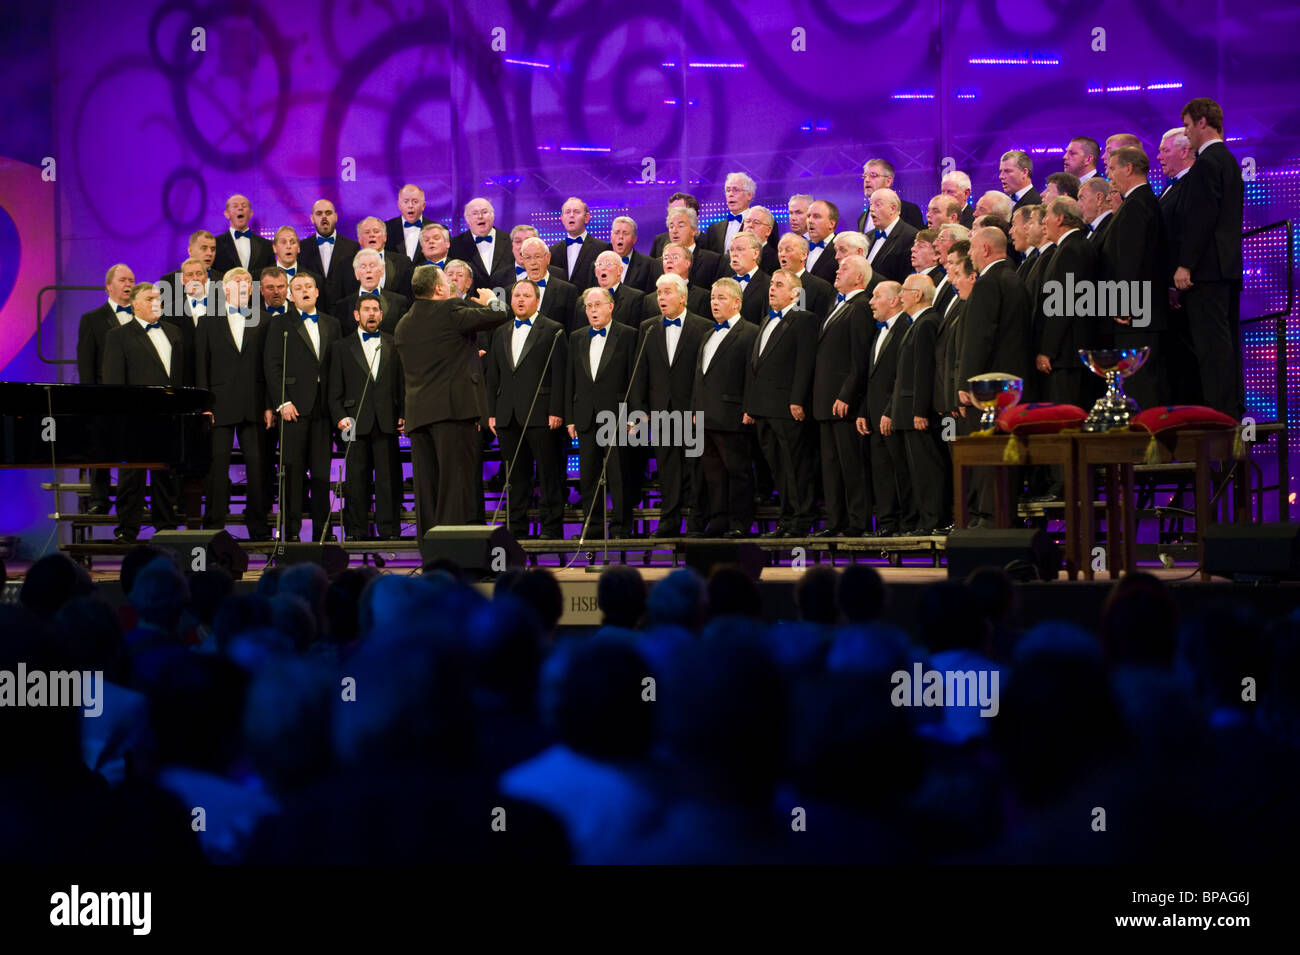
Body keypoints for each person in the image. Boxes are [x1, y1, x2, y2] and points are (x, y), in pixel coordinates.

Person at [394, 265, 508, 534]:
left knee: (427, 486)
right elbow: (500, 313)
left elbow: (439, 356)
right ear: (438, 289)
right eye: (446, 279)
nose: (450, 283)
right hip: (453, 413)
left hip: (419, 416)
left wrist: (465, 358)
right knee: (456, 483)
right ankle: (454, 550)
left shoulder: (404, 322)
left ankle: (430, 549)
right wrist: (491, 299)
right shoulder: (449, 309)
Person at [1174, 97, 1244, 417]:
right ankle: (1228, 410)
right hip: (1226, 268)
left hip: (1208, 270)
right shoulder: (1228, 159)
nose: (1186, 133)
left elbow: (1202, 218)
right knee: (1225, 344)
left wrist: (1186, 264)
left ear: (1203, 122)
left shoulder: (1207, 162)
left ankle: (1218, 415)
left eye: (1188, 125)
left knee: (1211, 347)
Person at [485, 281, 569, 540]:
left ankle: (552, 528)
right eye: (516, 295)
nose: (520, 299)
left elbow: (560, 375)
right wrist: (491, 412)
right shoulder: (500, 331)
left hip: (542, 414)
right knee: (515, 477)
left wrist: (556, 410)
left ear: (537, 299)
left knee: (548, 475)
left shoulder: (553, 330)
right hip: (507, 415)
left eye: (526, 295)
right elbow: (493, 376)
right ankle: (516, 529)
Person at [101, 282, 185, 542]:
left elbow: (180, 376)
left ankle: (166, 526)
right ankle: (127, 529)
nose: (156, 303)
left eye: (159, 299)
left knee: (165, 474)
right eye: (150, 299)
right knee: (131, 476)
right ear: (135, 304)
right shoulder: (118, 335)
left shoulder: (174, 332)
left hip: (168, 417)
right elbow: (114, 382)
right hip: (135, 418)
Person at [632, 274, 712, 537]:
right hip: (660, 411)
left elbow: (704, 374)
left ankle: (697, 522)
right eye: (658, 293)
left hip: (691, 411)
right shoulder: (649, 327)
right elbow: (640, 371)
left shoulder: (703, 327)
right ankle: (669, 522)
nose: (661, 298)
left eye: (666, 292)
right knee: (667, 469)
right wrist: (640, 411)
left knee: (696, 468)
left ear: (682, 296)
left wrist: (697, 409)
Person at [196, 268, 273, 540]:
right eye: (236, 282)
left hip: (253, 404)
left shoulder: (263, 321)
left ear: (251, 290)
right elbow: (201, 366)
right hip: (219, 404)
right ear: (224, 289)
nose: (241, 286)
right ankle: (214, 525)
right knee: (217, 468)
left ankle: (258, 525)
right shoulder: (208, 321)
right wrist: (205, 405)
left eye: (245, 283)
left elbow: (268, 367)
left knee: (257, 467)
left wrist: (267, 405)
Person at [264, 273, 341, 542]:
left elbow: (338, 367)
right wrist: (282, 401)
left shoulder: (332, 324)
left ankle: (323, 532)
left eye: (308, 287)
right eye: (298, 288)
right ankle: (292, 534)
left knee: (321, 474)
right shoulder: (280, 324)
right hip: (293, 409)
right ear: (290, 295)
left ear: (317, 292)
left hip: (323, 409)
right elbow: (272, 365)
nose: (304, 291)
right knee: (293, 474)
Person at [745, 269, 817, 537]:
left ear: (795, 293)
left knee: (795, 465)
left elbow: (805, 363)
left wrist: (797, 399)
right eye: (771, 284)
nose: (772, 289)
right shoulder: (766, 320)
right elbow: (756, 366)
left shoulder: (804, 319)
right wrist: (750, 406)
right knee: (778, 467)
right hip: (763, 408)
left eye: (778, 285)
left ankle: (801, 519)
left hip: (787, 407)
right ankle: (786, 519)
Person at [328, 295, 405, 540]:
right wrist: (340, 416)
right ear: (356, 315)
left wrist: (403, 414)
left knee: (388, 479)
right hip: (352, 421)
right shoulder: (341, 347)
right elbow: (334, 389)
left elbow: (402, 385)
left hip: (386, 420)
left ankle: (389, 530)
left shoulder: (394, 344)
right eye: (367, 310)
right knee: (355, 481)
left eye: (375, 310)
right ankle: (356, 531)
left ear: (381, 315)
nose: (371, 314)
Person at [565, 287, 639, 539]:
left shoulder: (628, 335)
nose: (593, 310)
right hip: (585, 415)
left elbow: (634, 378)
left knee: (618, 474)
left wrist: (634, 416)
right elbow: (570, 380)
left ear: (611, 306)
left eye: (597, 305)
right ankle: (592, 527)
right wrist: (571, 417)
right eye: (589, 306)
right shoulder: (576, 337)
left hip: (617, 416)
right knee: (588, 476)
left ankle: (620, 527)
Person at [1100, 146, 1170, 410]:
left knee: (1141, 383)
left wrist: (1124, 304)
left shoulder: (1136, 204)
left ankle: (1146, 444)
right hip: (1144, 311)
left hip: (1137, 315)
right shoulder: (1142, 201)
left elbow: (1132, 258)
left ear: (1128, 168)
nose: (1109, 176)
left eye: (1112, 168)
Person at [692, 279, 759, 537]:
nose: (714, 303)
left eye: (721, 298)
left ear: (736, 302)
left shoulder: (750, 332)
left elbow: (752, 375)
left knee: (737, 472)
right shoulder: (708, 333)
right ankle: (719, 520)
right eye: (712, 298)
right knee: (713, 474)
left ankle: (739, 523)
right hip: (705, 417)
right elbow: (699, 376)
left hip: (732, 416)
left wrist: (749, 408)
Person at [813, 255, 875, 537]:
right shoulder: (838, 305)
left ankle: (857, 521)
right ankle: (835, 521)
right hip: (825, 403)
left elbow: (860, 358)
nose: (838, 270)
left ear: (860, 277)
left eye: (845, 268)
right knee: (831, 467)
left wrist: (847, 395)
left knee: (851, 465)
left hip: (843, 403)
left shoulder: (861, 306)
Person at [890, 274, 948, 534]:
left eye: (904, 290)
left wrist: (919, 410)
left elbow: (924, 370)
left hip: (917, 412)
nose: (900, 296)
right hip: (907, 410)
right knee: (916, 470)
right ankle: (926, 520)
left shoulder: (927, 322)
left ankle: (932, 521)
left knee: (928, 470)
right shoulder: (916, 323)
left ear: (917, 295)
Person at [854, 281, 914, 535]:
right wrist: (864, 412)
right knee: (881, 472)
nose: (870, 301)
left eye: (876, 296)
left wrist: (890, 410)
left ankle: (908, 522)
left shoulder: (906, 328)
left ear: (893, 301)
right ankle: (887, 523)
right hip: (874, 414)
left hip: (895, 414)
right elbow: (873, 377)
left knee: (902, 471)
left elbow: (903, 375)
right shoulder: (879, 331)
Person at [77, 263, 136, 514]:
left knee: (133, 450)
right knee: (100, 448)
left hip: (136, 395)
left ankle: (130, 500)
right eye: (123, 280)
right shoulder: (92, 319)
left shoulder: (142, 316)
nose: (129, 285)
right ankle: (99, 500)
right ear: (108, 286)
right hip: (104, 394)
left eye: (132, 280)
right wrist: (91, 398)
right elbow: (86, 363)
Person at [297, 199, 362, 313]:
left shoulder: (352, 247)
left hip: (344, 312)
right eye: (319, 213)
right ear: (312, 218)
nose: (324, 217)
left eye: (328, 213)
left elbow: (354, 284)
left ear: (336, 216)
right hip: (312, 311)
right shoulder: (301, 248)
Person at [448, 197, 515, 291]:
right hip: (471, 303)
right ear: (467, 219)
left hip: (504, 301)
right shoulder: (455, 245)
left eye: (484, 212)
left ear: (493, 216)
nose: (480, 216)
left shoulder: (510, 241)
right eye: (475, 213)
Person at [336, 249, 409, 334]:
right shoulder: (342, 306)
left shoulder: (399, 302)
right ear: (356, 274)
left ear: (382, 271)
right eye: (363, 266)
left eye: (372, 265)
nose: (368, 270)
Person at [548, 197, 612, 293]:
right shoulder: (553, 251)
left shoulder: (602, 248)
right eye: (567, 212)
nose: (571, 215)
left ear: (586, 218)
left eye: (577, 212)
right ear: (562, 218)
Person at [513, 237, 579, 328]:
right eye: (528, 257)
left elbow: (572, 330)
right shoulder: (512, 292)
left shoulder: (567, 291)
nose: (533, 262)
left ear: (548, 258)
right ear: (523, 261)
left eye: (537, 257)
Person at [864, 188, 919, 283]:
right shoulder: (868, 236)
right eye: (871, 205)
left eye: (878, 205)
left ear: (893, 208)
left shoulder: (911, 236)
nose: (871, 209)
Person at [857, 158, 925, 232]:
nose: (867, 180)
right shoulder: (862, 218)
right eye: (864, 176)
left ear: (888, 181)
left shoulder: (909, 210)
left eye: (873, 175)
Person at [213, 194, 274, 275]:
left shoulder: (267, 245)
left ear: (251, 213)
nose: (240, 208)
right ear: (227, 214)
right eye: (235, 206)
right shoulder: (216, 244)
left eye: (244, 206)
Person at [776, 233, 835, 318]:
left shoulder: (821, 288)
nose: (782, 254)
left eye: (788, 250)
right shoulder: (772, 285)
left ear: (803, 255)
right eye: (780, 250)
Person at [354, 216, 413, 299]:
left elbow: (408, 295)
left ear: (385, 237)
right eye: (367, 232)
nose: (372, 235)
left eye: (376, 231)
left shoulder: (403, 262)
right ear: (359, 239)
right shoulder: (346, 264)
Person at [725, 232, 772, 325]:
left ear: (755, 253)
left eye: (739, 249)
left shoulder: (769, 285)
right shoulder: (725, 284)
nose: (734, 254)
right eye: (731, 250)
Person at [384, 184, 432, 264]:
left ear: (423, 205)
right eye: (406, 202)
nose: (410, 206)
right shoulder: (386, 229)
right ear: (399, 205)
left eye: (415, 202)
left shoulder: (438, 229)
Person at [609, 216, 658, 293]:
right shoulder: (599, 264)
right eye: (617, 233)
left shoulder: (649, 265)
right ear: (611, 237)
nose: (620, 237)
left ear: (634, 239)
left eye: (625, 233)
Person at [804, 200, 840, 283]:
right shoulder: (802, 247)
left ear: (831, 224)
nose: (810, 221)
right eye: (808, 216)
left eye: (816, 216)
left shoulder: (841, 249)